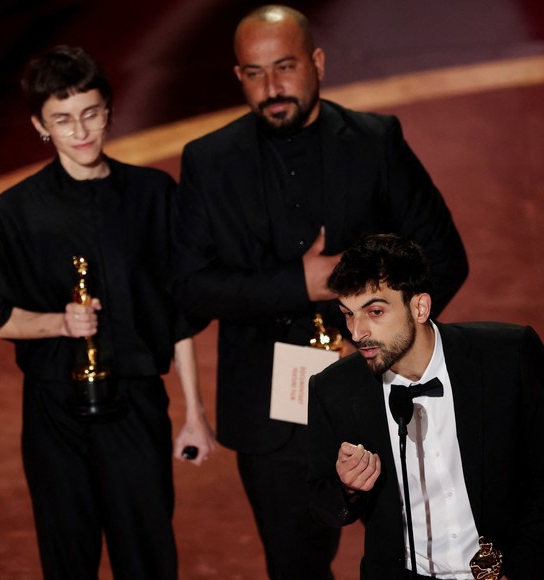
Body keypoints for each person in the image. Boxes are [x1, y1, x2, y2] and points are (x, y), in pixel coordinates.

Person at [170, 4, 468, 577]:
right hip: (270, 414)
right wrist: (296, 283)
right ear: (238, 77)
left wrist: (387, 343)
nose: (272, 87)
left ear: (318, 62)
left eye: (284, 67)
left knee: (415, 555)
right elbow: (187, 289)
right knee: (296, 566)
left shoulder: (376, 141)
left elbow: (444, 257)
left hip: (383, 394)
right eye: (254, 74)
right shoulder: (208, 162)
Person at [0, 46, 216, 580]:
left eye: (91, 113)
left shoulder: (154, 195)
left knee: (149, 558)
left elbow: (177, 314)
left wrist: (194, 414)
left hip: (136, 405)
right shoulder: (16, 209)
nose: (80, 131)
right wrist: (60, 323)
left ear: (109, 110)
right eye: (62, 119)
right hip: (54, 413)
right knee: (68, 559)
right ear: (41, 124)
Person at [307, 233, 544, 579]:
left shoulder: (509, 357)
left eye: (374, 311)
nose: (358, 331)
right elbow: (323, 506)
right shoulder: (333, 390)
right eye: (348, 314)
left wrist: (519, 567)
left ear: (419, 307)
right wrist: (347, 486)